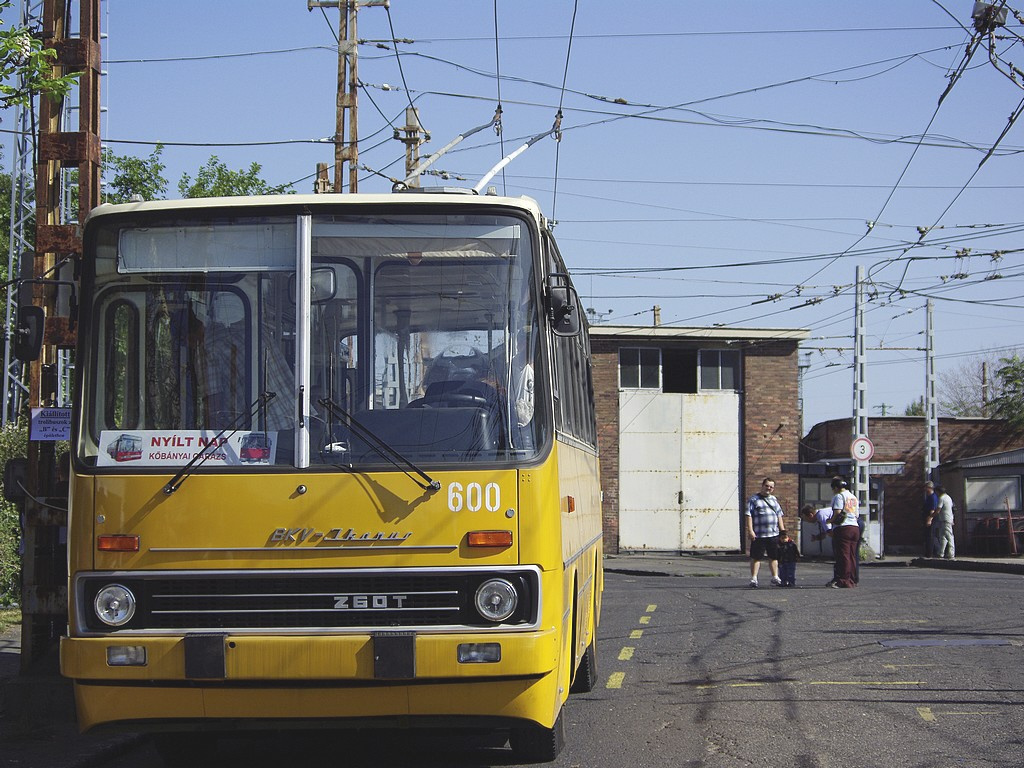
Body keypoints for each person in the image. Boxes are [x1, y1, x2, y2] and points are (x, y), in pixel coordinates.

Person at [745, 477, 786, 588]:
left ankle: (775, 577)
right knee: (756, 557)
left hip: (773, 534)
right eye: (767, 486)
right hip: (759, 534)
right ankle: (754, 578)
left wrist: (782, 531)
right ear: (762, 486)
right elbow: (749, 515)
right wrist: (750, 530)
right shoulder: (754, 499)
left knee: (774, 557)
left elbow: (779, 515)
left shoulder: (774, 500)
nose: (769, 488)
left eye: (771, 487)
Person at [829, 476, 860, 588]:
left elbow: (837, 513)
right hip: (855, 527)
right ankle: (852, 579)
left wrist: (830, 521)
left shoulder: (839, 496)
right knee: (852, 555)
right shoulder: (853, 497)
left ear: (836, 487)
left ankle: (844, 580)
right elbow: (857, 514)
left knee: (843, 555)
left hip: (843, 528)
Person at [799, 504, 837, 586]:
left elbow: (829, 532)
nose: (806, 521)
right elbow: (825, 533)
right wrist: (817, 537)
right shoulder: (822, 513)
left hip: (848, 527)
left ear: (810, 515)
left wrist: (838, 541)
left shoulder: (821, 515)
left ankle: (839, 579)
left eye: (805, 518)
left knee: (840, 556)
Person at [934, 485, 956, 560]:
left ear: (938, 491)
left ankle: (951, 553)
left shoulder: (941, 498)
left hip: (945, 519)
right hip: (947, 519)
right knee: (942, 537)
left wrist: (931, 516)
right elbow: (953, 508)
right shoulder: (948, 497)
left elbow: (938, 509)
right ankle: (941, 552)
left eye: (936, 492)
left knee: (949, 536)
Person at [922, 481, 939, 557]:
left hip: (930, 518)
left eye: (926, 487)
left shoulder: (933, 497)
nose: (925, 489)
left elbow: (932, 509)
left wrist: (930, 519)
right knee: (929, 535)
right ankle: (932, 552)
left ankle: (930, 553)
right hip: (927, 517)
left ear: (929, 488)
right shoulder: (929, 497)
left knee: (930, 535)